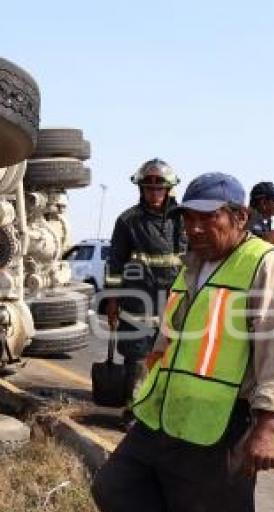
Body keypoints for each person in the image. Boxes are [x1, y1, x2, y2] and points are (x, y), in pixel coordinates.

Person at [93, 172, 274, 512]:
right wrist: (144, 398)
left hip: (224, 425)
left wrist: (268, 424)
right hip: (167, 417)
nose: (195, 228)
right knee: (115, 488)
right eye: (188, 219)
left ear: (240, 217)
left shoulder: (266, 264)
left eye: (208, 219)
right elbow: (169, 341)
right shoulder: (191, 265)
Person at [103, 158, 187, 420]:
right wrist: (113, 301)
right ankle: (134, 410)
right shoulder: (128, 221)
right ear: (141, 189)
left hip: (173, 301)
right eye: (148, 188)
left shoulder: (182, 219)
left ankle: (162, 410)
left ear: (169, 189)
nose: (154, 193)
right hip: (136, 303)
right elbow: (115, 263)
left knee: (170, 357)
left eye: (159, 188)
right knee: (137, 358)